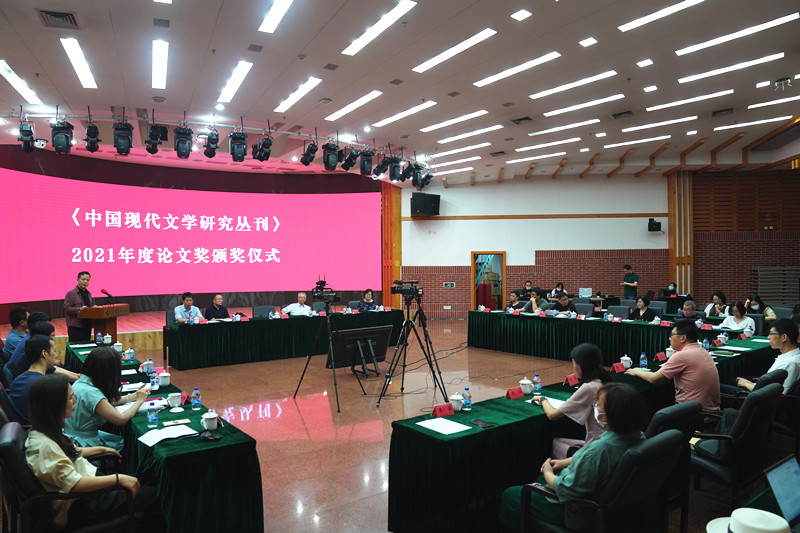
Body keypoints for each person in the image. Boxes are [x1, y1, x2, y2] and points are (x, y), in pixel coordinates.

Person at [499, 383, 646, 530]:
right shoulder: (638, 436)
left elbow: (565, 489)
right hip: (609, 502)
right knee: (541, 479)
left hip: (574, 510)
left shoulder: (598, 451)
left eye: (598, 405)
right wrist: (563, 463)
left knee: (510, 495)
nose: (595, 407)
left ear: (612, 414)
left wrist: (548, 472)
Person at [25, 375, 161, 529]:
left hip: (89, 484)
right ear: (55, 405)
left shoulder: (43, 431)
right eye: (71, 398)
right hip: (83, 502)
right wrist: (117, 479)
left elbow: (67, 452)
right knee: (156, 495)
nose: (75, 401)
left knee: (149, 477)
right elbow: (74, 484)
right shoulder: (44, 446)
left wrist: (102, 449)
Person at [532, 343, 613, 459]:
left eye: (574, 363)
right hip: (605, 440)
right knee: (559, 441)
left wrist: (542, 399)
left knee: (553, 444)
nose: (573, 367)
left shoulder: (589, 387)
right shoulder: (605, 380)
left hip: (597, 446)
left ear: (581, 365)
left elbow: (552, 415)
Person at [65, 347, 149, 451]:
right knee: (122, 444)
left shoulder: (81, 382)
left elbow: (104, 403)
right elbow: (121, 419)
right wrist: (139, 401)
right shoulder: (91, 393)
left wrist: (132, 396)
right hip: (84, 443)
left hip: (70, 436)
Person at [625, 321, 720, 411]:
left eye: (672, 335)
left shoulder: (682, 356)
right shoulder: (703, 351)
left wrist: (636, 371)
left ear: (683, 338)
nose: (669, 338)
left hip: (693, 415)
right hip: (712, 411)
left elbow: (653, 379)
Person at [732, 319, 799, 394]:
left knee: (722, 387)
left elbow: (778, 394)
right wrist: (751, 384)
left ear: (784, 337)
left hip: (757, 398)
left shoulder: (789, 363)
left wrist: (746, 384)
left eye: (771, 334)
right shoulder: (793, 356)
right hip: (761, 390)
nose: (768, 337)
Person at [8, 316, 79, 383]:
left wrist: (77, 375)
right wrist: (79, 378)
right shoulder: (34, 350)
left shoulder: (33, 344)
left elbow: (53, 369)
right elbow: (54, 371)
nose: (53, 339)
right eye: (52, 336)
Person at [8, 334, 54, 424]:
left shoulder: (18, 379)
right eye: (54, 351)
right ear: (44, 353)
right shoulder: (43, 385)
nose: (56, 355)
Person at [64, 271, 94, 342]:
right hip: (75, 326)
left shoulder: (88, 294)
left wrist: (93, 308)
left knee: (86, 345)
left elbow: (88, 308)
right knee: (75, 346)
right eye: (83, 279)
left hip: (87, 325)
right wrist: (79, 309)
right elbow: (67, 308)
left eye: (87, 280)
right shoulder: (71, 294)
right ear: (77, 280)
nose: (85, 282)